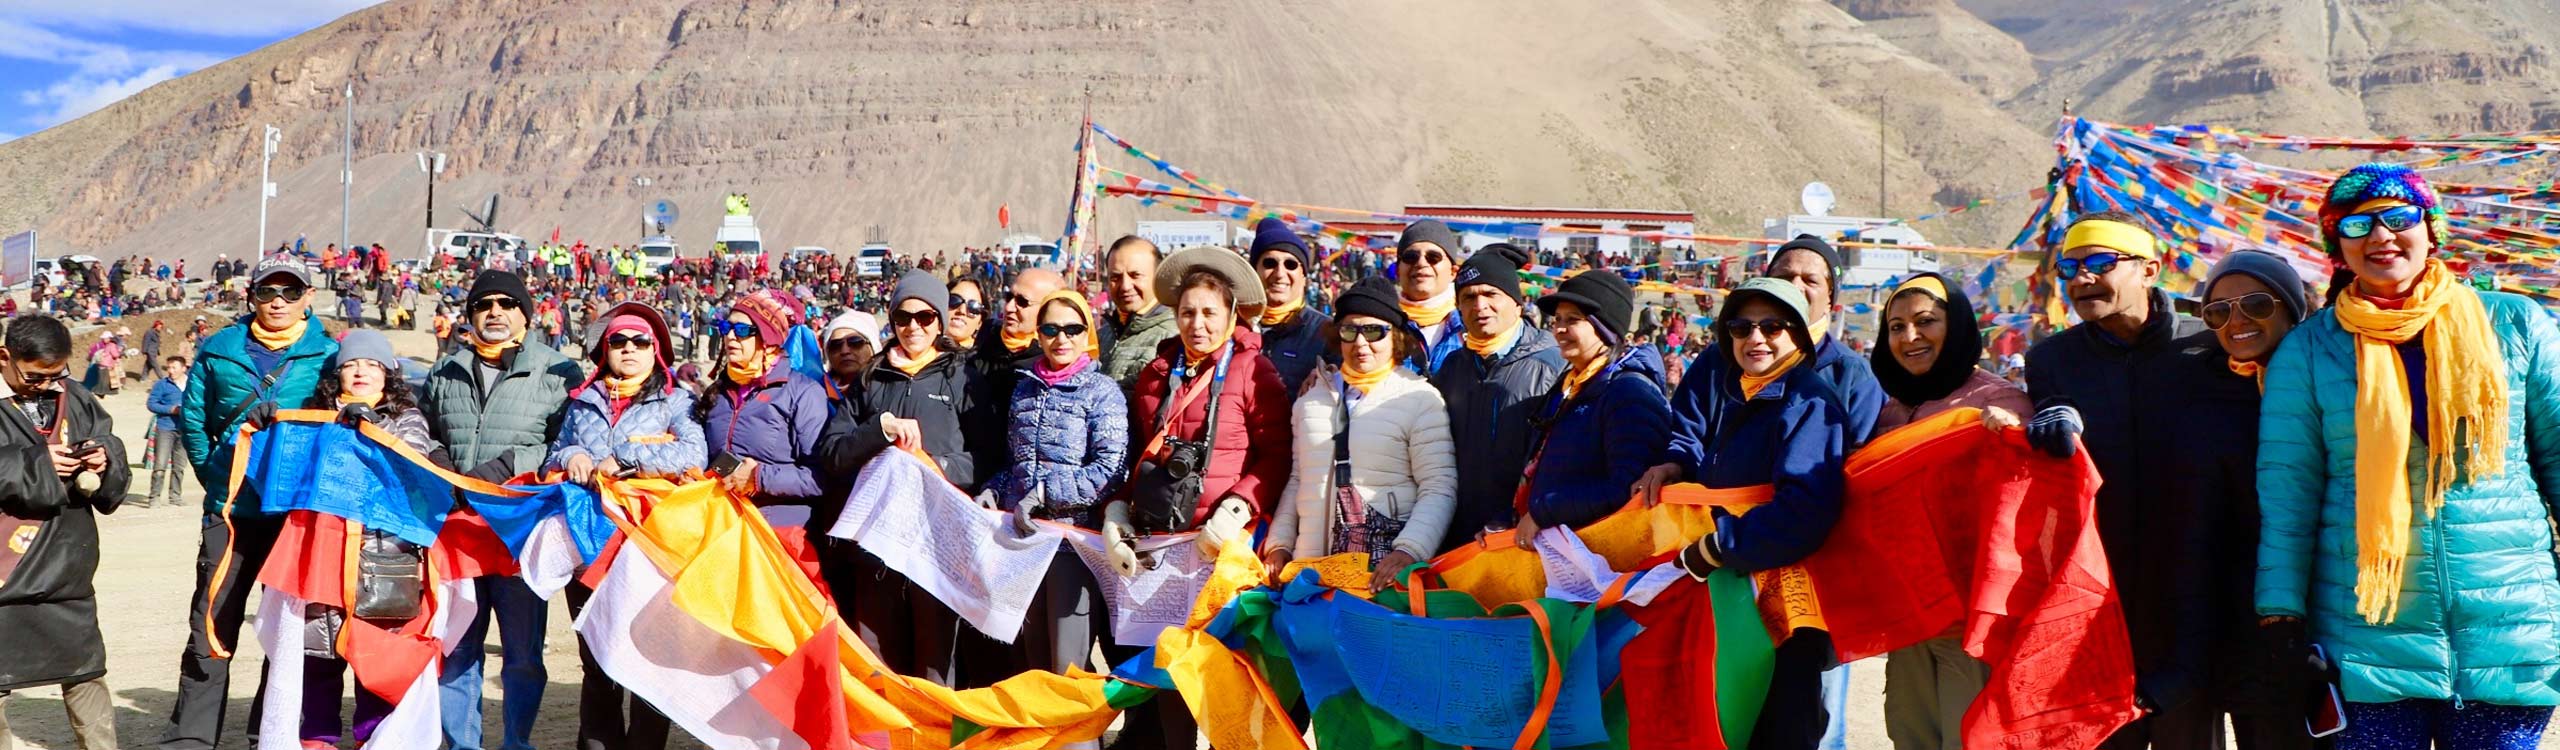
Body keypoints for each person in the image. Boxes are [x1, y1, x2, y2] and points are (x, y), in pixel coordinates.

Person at [2258, 163, 2560, 750]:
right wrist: (2280, 616)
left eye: (2399, 218)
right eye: (2357, 225)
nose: (2380, 237)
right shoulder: (2310, 351)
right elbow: (2288, 494)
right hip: (2367, 640)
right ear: (2338, 247)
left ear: (2431, 229)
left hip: (2505, 631)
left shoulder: (2516, 324)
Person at [2020, 212, 2224, 750]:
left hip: (2192, 594)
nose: (2082, 278)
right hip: (2099, 606)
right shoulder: (2053, 361)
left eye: (2100, 263)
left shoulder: (2208, 347)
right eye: (2071, 267)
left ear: (2150, 269)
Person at [1647, 278, 1852, 750]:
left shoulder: (1809, 401)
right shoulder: (1746, 392)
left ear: (1799, 334)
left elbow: (1806, 508)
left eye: (1772, 326)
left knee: (1778, 725)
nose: (1755, 338)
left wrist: (1721, 545)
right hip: (1742, 591)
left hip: (1785, 600)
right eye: (1741, 327)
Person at [1108, 246, 1292, 746]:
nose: (1198, 324)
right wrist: (1119, 511)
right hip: (1163, 544)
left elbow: (1277, 455)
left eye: (1210, 312)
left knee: (1223, 668)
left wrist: (1239, 505)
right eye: (1187, 312)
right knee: (1170, 670)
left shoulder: (1256, 372)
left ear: (1232, 315)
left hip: (1220, 547)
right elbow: (1141, 455)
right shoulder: (1153, 376)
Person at [162, 258, 339, 750]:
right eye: (267, 291)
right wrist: (220, 478)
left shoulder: (326, 355)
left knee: (286, 626)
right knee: (211, 621)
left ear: (308, 297)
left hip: (295, 514)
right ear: (251, 296)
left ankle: (272, 730)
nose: (278, 301)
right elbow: (194, 423)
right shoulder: (218, 351)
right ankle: (192, 737)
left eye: (290, 291)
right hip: (231, 511)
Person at [1862, 273, 2029, 750]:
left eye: (1925, 322)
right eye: (1895, 327)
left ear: (1955, 326)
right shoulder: (1891, 411)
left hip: (1972, 623)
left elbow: (2028, 489)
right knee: (1910, 735)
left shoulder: (1996, 400)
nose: (1909, 337)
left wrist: (2015, 433)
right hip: (1908, 615)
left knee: (1971, 739)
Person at [419, 269, 584, 750]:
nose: (495, 312)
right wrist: (436, 456)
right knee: (459, 650)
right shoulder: (444, 370)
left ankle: (517, 742)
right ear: (470, 315)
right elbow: (420, 425)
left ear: (525, 315)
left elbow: (568, 441)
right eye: (484, 304)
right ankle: (462, 745)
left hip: (520, 532)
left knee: (523, 653)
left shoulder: (558, 371)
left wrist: (512, 463)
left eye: (506, 304)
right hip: (456, 530)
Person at [546, 301, 702, 750]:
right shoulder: (582, 402)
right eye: (619, 341)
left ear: (656, 351)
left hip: (649, 549)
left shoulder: (676, 401)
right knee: (596, 658)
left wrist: (632, 457)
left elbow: (693, 455)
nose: (628, 349)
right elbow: (554, 450)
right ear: (605, 351)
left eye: (639, 342)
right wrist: (568, 455)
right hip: (589, 545)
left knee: (649, 658)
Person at [818, 273, 977, 686]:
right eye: (903, 317)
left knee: (935, 664)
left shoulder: (962, 376)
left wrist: (936, 463)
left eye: (925, 316)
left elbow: (989, 455)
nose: (914, 327)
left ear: (940, 321)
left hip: (936, 543)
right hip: (877, 545)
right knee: (878, 663)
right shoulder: (872, 378)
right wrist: (879, 430)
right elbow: (832, 454)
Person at [295, 330, 450, 748]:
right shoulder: (312, 416)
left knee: (377, 669)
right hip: (323, 560)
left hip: (385, 559)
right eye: (351, 363)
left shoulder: (407, 418)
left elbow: (411, 468)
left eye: (371, 364)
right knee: (318, 667)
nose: (360, 370)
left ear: (388, 374)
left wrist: (372, 422)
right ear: (337, 373)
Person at [2188, 250, 2315, 750]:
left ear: (2290, 307)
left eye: (2256, 304)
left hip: (2335, 609)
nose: (2236, 321)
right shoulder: (2212, 392)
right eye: (2218, 312)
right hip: (2246, 625)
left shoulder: (2334, 379)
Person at [1261, 276, 1457, 590]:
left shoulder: (1419, 398)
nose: (1360, 344)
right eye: (1350, 331)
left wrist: (1410, 550)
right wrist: (1280, 544)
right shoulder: (1312, 398)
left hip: (1383, 570)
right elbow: (1297, 479)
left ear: (1395, 337)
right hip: (1313, 566)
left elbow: (1439, 486)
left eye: (1374, 331)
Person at [975, 290, 1127, 681]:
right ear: (1038, 335)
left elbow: (1110, 469)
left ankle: (1079, 743)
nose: (1062, 338)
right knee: (1031, 660)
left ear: (1086, 334)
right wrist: (996, 489)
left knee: (1067, 664)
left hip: (1071, 543)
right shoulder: (1024, 388)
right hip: (1024, 541)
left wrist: (1045, 493)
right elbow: (1016, 462)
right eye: (1051, 328)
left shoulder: (1102, 391)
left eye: (1072, 329)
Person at [0, 315, 129, 750]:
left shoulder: (75, 396)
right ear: (5, 358)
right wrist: (39, 464)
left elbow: (108, 440)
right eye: (36, 376)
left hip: (66, 565)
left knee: (85, 673)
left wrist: (102, 460)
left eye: (59, 375)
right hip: (5, 572)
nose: (49, 386)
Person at [1428, 243, 1564, 553]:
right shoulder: (1452, 368)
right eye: (1468, 297)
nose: (1480, 306)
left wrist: (1516, 515)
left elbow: (1556, 462)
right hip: (1457, 536)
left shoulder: (1552, 366)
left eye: (1491, 294)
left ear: (1516, 303)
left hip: (1523, 536)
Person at [1515, 269, 1671, 539]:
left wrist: (1546, 512)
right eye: (1557, 320)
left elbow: (1629, 489)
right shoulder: (1571, 385)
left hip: (1598, 556)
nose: (1559, 329)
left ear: (1605, 329)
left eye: (1573, 320)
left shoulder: (1630, 393)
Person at [698, 290, 834, 580]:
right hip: (723, 532)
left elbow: (822, 477)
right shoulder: (718, 394)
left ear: (769, 339)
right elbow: (713, 457)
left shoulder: (803, 393)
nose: (731, 337)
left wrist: (759, 477)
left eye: (744, 330)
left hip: (782, 538)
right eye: (726, 327)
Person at [968, 268, 1064, 480]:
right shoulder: (984, 341)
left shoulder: (1053, 365)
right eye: (1009, 297)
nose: (1009, 307)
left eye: (1022, 302)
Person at [1248, 217, 1334, 397]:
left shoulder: (1327, 332)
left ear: (1304, 276)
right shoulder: (1235, 327)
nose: (1280, 274)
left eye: (1291, 264)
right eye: (1270, 263)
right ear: (1254, 271)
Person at [1098, 236, 1175, 388]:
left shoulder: (1174, 337)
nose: (1125, 286)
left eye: (1135, 275)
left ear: (1158, 276)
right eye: (1116, 277)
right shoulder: (1102, 335)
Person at [1393, 220, 1469, 374]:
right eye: (1410, 257)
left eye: (1433, 257)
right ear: (1398, 271)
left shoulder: (1472, 323)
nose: (1421, 263)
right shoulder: (1381, 325)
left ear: (1453, 272)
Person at [144, 355, 190, 507]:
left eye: (174, 367)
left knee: (180, 466)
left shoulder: (193, 383)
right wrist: (170, 409)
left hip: (185, 429)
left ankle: (175, 496)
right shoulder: (161, 384)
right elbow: (151, 404)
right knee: (160, 465)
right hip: (165, 428)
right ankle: (154, 497)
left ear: (184, 368)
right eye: (169, 367)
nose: (170, 371)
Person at [822, 310, 880, 393]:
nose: (844, 351)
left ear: (873, 348)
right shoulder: (814, 392)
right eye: (835, 345)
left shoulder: (891, 387)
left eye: (855, 342)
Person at [946, 276, 990, 345]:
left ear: (980, 323)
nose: (962, 311)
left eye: (973, 307)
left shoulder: (982, 355)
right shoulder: (923, 347)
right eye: (954, 300)